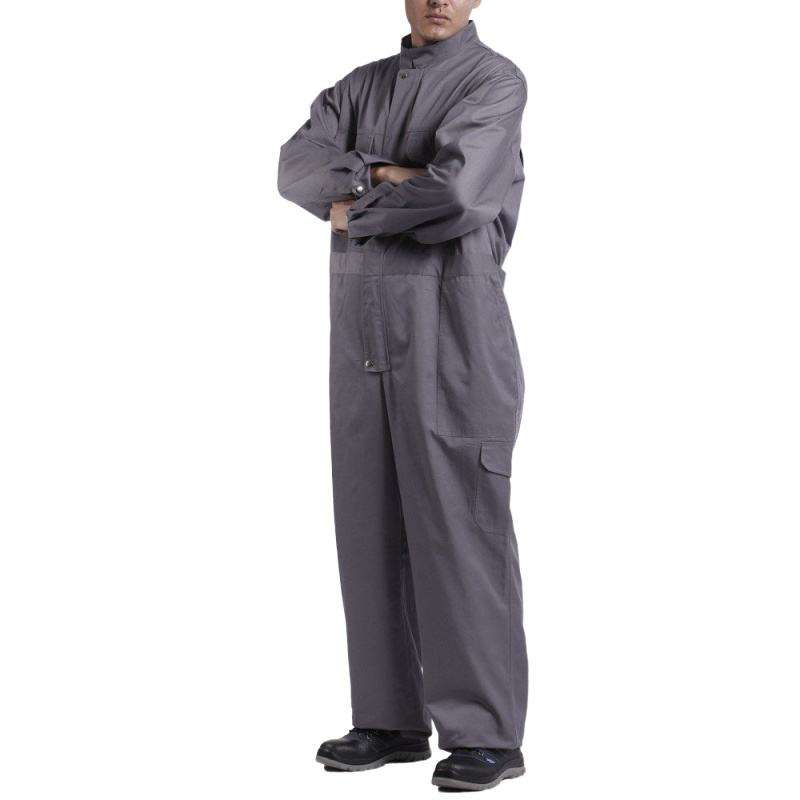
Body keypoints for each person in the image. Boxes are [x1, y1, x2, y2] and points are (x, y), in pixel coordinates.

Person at [278, 0, 529, 791]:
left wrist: (354, 201)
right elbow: (294, 170)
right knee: (368, 522)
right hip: (361, 331)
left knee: (460, 525)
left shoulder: (493, 82)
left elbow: (459, 197)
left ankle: (486, 734)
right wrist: (385, 175)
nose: (439, 0)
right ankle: (388, 719)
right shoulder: (356, 88)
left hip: (454, 332)